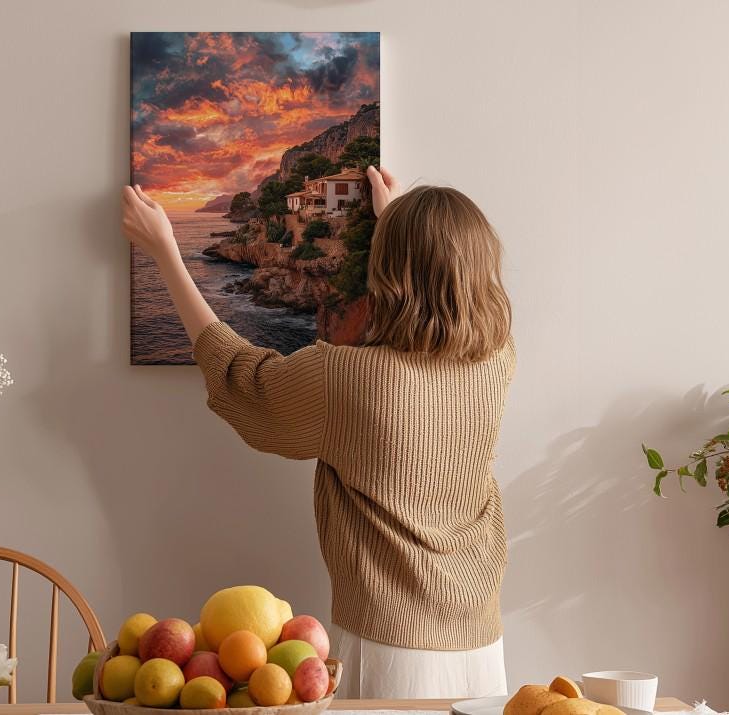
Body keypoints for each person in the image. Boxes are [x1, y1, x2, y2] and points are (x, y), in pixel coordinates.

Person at [121, 166, 515, 699]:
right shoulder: (497, 360)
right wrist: (396, 221)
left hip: (389, 645)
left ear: (387, 269)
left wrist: (165, 251)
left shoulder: (346, 377)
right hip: (482, 644)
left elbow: (241, 374)